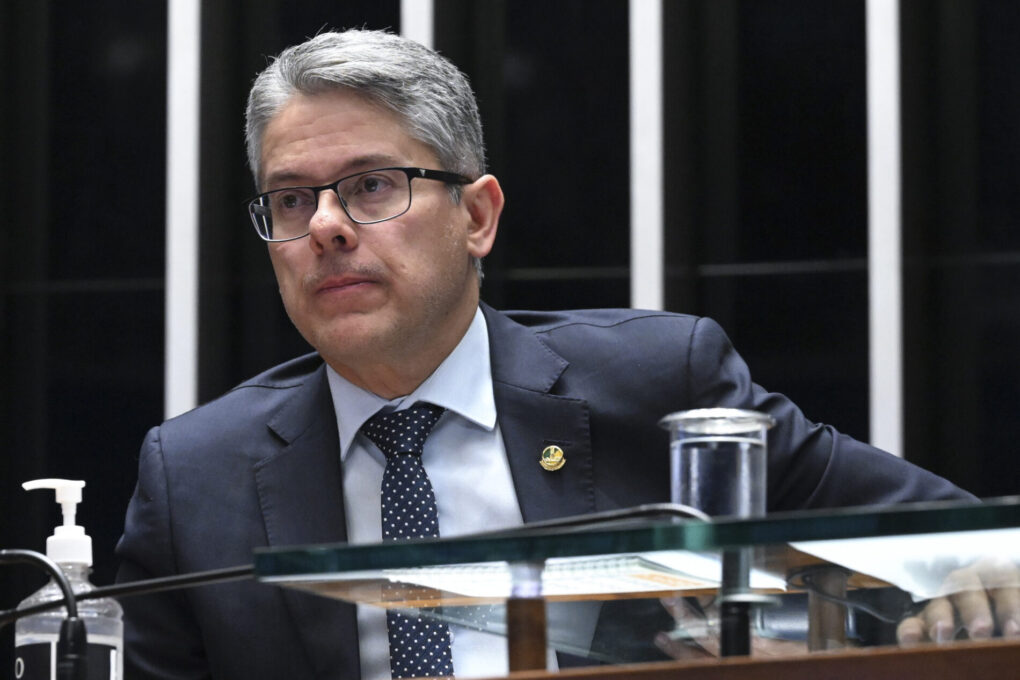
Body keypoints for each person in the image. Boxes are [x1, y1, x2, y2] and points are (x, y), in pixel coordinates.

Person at [115, 29, 988, 680]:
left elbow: (954, 537)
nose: (328, 227)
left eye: (372, 186)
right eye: (292, 200)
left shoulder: (661, 383)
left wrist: (960, 581)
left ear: (477, 216)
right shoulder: (195, 477)